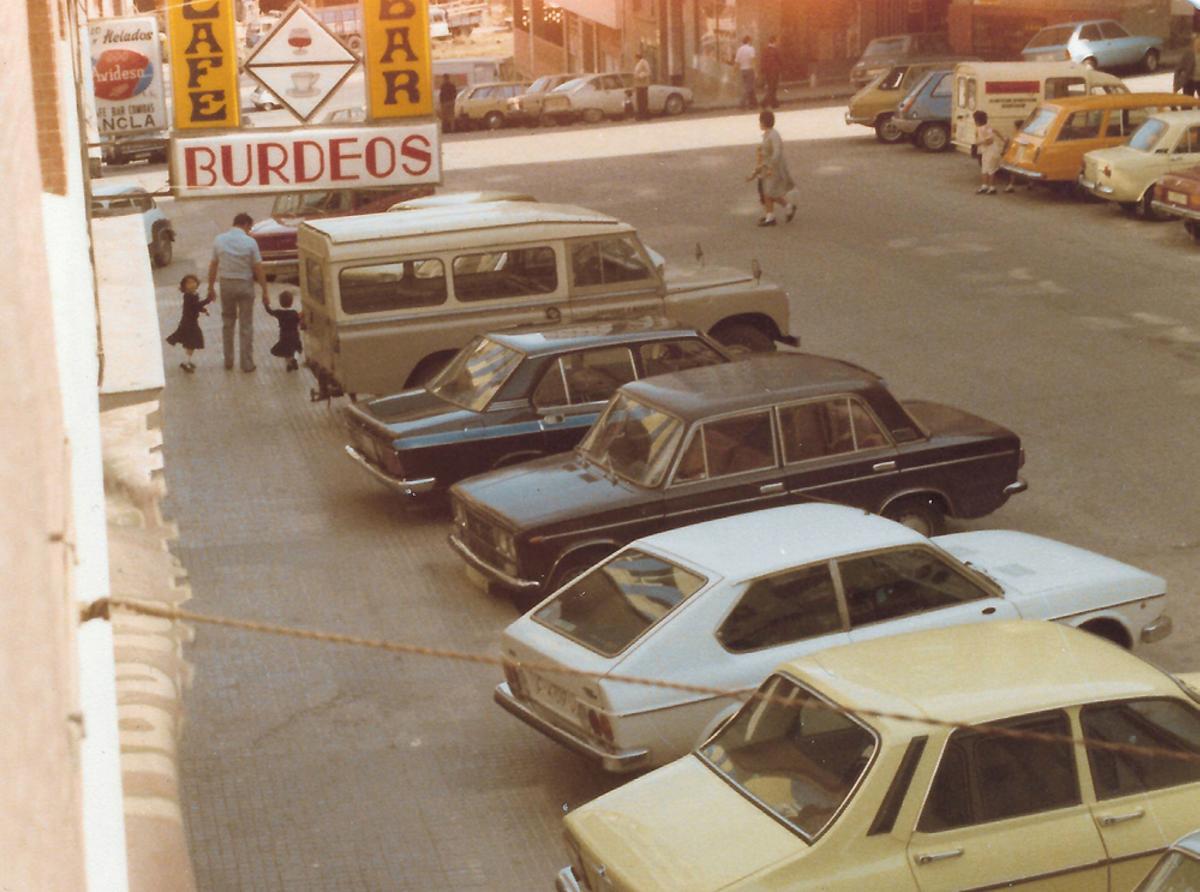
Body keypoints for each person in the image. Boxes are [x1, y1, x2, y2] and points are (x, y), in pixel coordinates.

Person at [208, 212, 269, 372]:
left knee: (228, 323)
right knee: (246, 325)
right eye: (250, 228)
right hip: (245, 285)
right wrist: (265, 290)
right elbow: (258, 268)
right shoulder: (250, 242)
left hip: (226, 284)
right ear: (246, 225)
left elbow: (213, 265)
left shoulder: (219, 240)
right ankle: (246, 363)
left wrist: (210, 287)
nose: (249, 231)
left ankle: (228, 361)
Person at [747, 109, 796, 226]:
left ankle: (771, 217)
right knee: (769, 192)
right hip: (767, 167)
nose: (759, 124)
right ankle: (784, 209)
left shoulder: (773, 135)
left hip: (773, 168)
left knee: (768, 192)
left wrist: (770, 167)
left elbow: (777, 152)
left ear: (764, 122)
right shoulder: (768, 134)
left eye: (760, 121)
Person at [165, 274, 214, 373]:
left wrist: (204, 310)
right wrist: (208, 300)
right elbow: (196, 306)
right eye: (189, 283)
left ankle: (187, 361)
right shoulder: (188, 296)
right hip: (189, 324)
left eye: (193, 282)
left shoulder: (194, 294)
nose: (192, 285)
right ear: (184, 286)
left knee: (190, 343)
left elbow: (196, 307)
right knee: (191, 343)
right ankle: (186, 362)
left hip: (190, 322)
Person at [263, 290, 303, 371]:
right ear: (291, 302)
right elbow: (299, 319)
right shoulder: (294, 313)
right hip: (294, 335)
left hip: (284, 335)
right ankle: (294, 360)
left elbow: (270, 311)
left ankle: (289, 364)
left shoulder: (279, 313)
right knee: (297, 349)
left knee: (286, 351)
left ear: (280, 302)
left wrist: (266, 304)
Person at [973, 110, 1004, 195]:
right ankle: (984, 186)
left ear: (977, 120)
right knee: (985, 168)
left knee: (990, 169)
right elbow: (995, 131)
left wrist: (979, 143)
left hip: (991, 150)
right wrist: (1003, 139)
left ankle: (992, 187)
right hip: (986, 151)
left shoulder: (985, 128)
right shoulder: (985, 127)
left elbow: (990, 141)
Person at [734, 36, 757, 109]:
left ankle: (753, 103)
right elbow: (753, 60)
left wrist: (734, 71)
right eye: (751, 41)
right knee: (748, 88)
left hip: (742, 70)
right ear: (749, 41)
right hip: (749, 69)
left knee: (750, 87)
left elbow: (737, 62)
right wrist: (755, 71)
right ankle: (742, 103)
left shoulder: (739, 50)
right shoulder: (751, 49)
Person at [760, 36, 782, 109]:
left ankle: (774, 103)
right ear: (774, 41)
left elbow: (762, 60)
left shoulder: (765, 50)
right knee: (773, 88)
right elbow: (780, 60)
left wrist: (763, 70)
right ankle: (765, 102)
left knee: (770, 87)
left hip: (767, 71)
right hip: (774, 71)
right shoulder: (776, 50)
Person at [633, 51, 652, 120]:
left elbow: (648, 72)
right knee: (640, 101)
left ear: (638, 57)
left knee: (643, 100)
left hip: (643, 84)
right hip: (639, 84)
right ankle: (641, 115)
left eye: (635, 58)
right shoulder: (638, 63)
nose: (635, 60)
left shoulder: (644, 62)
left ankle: (645, 115)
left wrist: (641, 76)